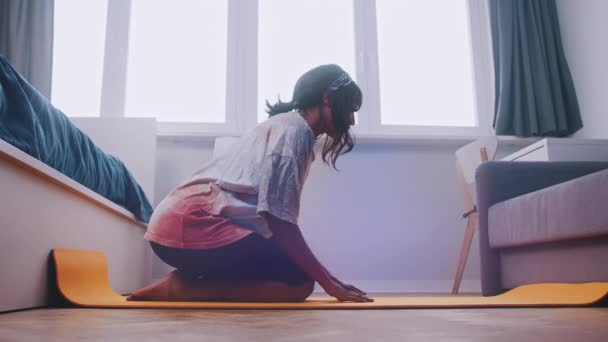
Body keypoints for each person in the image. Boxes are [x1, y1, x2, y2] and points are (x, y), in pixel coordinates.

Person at [127, 64, 373, 303]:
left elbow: (277, 224)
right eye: (350, 109)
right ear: (328, 97)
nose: (351, 120)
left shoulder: (290, 126)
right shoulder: (294, 132)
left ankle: (189, 282)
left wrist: (330, 279)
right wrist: (329, 285)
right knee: (298, 282)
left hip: (178, 225)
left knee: (299, 274)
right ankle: (182, 287)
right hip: (192, 223)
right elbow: (281, 223)